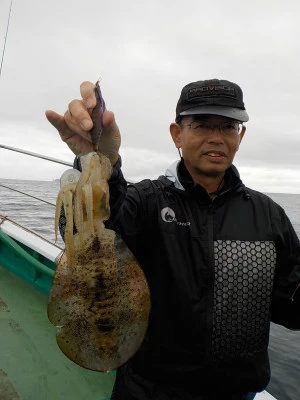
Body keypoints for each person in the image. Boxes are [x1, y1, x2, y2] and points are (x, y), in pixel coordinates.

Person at [45, 79, 300, 400]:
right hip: (148, 390)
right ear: (177, 134)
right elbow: (98, 229)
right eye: (203, 125)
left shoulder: (268, 215)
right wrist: (102, 162)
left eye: (229, 126)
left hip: (236, 392)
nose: (216, 137)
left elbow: (292, 307)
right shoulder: (146, 202)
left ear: (241, 135)